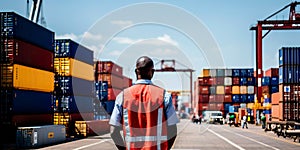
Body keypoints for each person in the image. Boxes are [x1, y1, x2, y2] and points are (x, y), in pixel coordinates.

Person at [109, 56, 180, 150]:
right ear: (153, 73)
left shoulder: (122, 97)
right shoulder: (164, 96)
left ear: (136, 72)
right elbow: (173, 130)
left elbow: (113, 131)